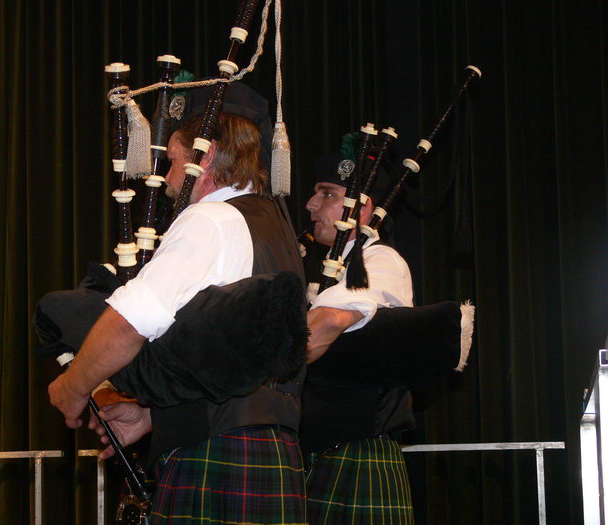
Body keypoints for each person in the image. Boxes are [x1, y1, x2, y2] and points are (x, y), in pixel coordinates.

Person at [47, 82, 308, 525]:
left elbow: (130, 324)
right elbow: (221, 361)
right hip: (267, 448)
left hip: (217, 458)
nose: (168, 181)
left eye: (171, 162)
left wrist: (71, 389)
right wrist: (154, 418)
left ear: (204, 159)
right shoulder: (276, 228)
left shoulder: (209, 218)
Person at [300, 152, 416, 524]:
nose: (311, 204)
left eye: (327, 193)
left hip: (358, 453)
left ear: (362, 209)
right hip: (319, 452)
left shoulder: (381, 262)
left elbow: (328, 322)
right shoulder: (328, 270)